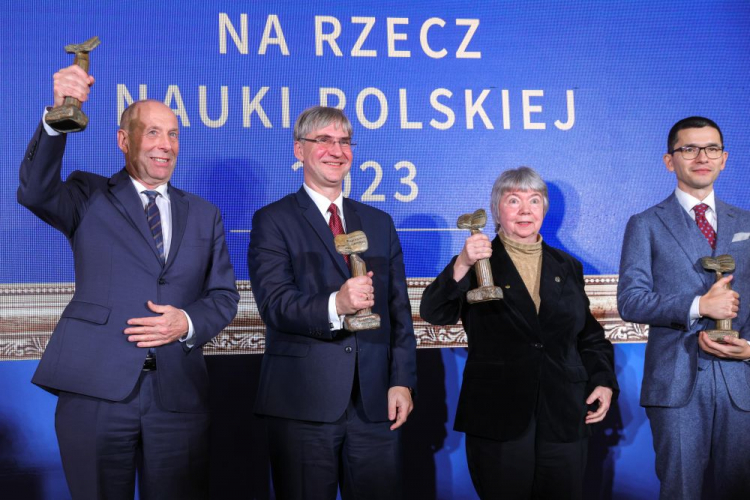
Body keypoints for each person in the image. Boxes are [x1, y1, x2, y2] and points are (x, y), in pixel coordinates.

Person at [18, 64, 240, 500]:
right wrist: (57, 118)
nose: (166, 145)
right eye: (153, 132)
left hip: (178, 397)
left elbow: (223, 295)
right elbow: (35, 191)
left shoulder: (204, 213)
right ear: (124, 140)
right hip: (96, 391)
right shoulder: (87, 194)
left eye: (173, 134)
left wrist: (186, 323)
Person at [247, 106, 417, 499]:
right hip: (303, 406)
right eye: (323, 140)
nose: (336, 150)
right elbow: (275, 304)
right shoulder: (273, 221)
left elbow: (398, 313)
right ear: (298, 150)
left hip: (375, 406)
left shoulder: (379, 223)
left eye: (343, 141)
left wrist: (402, 382)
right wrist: (336, 304)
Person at [421, 166, 618, 499]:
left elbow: (587, 335)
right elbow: (434, 312)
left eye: (535, 200)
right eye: (514, 200)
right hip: (498, 417)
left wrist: (602, 380)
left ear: (544, 209)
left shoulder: (567, 266)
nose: (526, 210)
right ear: (497, 209)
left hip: (563, 416)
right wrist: (463, 265)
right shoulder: (476, 261)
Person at [618, 116, 750, 499]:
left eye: (710, 148)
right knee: (681, 492)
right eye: (688, 149)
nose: (701, 157)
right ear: (669, 160)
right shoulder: (645, 224)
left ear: (724, 159)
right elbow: (631, 300)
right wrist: (698, 305)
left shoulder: (746, 223)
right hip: (676, 384)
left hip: (740, 381)